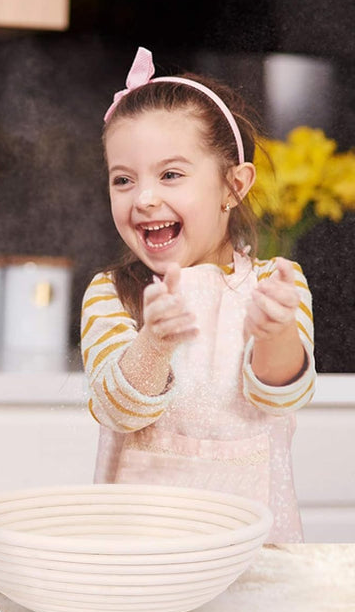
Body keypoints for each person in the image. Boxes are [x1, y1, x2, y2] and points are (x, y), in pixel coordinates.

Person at [81, 47, 315, 542]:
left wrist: (274, 332)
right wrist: (154, 343)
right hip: (138, 553)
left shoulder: (276, 282)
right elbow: (115, 408)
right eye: (123, 180)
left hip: (255, 551)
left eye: (170, 175)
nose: (143, 198)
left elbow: (282, 397)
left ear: (234, 185)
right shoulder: (112, 294)